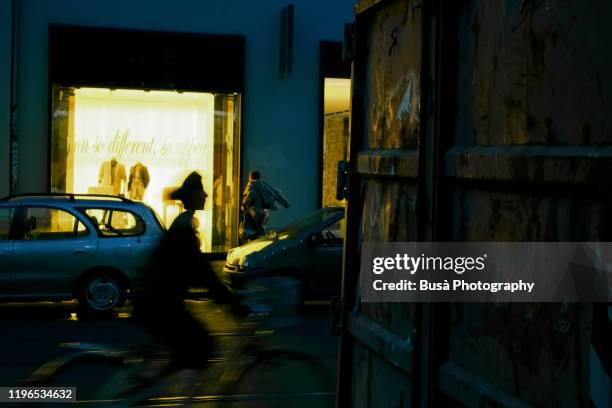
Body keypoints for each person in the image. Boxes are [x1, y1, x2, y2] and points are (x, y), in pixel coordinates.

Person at [132, 171, 236, 374]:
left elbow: (198, 270)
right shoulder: (183, 229)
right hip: (159, 304)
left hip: (156, 300)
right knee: (202, 344)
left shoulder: (183, 223)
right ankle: (150, 389)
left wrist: (225, 297)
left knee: (188, 350)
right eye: (201, 191)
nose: (206, 195)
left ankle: (157, 383)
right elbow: (201, 271)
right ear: (192, 196)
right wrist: (230, 301)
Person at [239, 170, 290, 243]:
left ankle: (258, 244)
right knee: (259, 229)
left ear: (250, 177)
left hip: (254, 212)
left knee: (252, 230)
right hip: (264, 213)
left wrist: (244, 206)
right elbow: (276, 193)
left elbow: (250, 197)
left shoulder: (251, 185)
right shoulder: (264, 185)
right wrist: (286, 203)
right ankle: (261, 241)